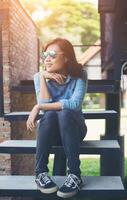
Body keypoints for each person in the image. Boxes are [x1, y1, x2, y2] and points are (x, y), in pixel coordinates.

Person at [26, 38, 87, 198]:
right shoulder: (39, 76)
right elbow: (45, 103)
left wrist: (37, 107)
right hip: (52, 132)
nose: (47, 59)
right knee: (51, 113)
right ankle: (40, 173)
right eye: (45, 54)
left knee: (65, 112)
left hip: (74, 130)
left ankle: (75, 174)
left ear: (66, 57)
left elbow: (74, 104)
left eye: (52, 54)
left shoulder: (79, 75)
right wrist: (42, 78)